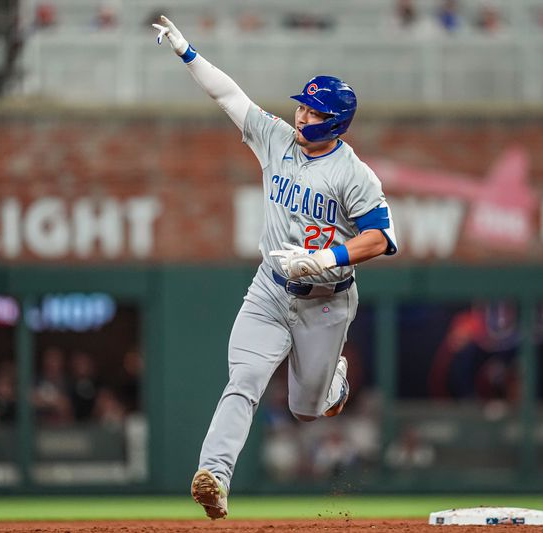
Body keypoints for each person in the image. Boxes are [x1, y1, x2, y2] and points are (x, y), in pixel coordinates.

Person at [153, 15, 398, 520]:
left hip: (326, 301)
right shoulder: (277, 140)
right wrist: (187, 53)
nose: (300, 113)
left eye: (311, 110)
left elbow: (381, 239)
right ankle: (215, 477)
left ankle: (334, 384)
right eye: (302, 106)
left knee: (307, 410)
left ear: (333, 120)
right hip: (269, 287)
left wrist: (323, 259)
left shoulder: (354, 175)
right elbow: (230, 97)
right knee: (243, 381)